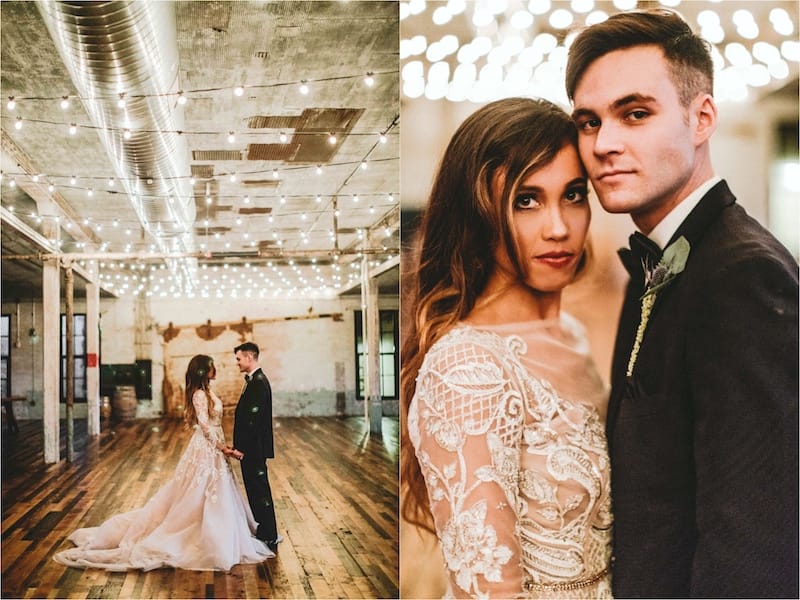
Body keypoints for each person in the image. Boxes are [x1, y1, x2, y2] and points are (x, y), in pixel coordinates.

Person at [565, 8, 799, 598]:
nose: (604, 144)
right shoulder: (664, 262)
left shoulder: (741, 275)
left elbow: (755, 540)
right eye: (588, 122)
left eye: (635, 114)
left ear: (702, 118)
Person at [400, 97, 612, 598]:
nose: (558, 227)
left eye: (574, 195)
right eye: (526, 201)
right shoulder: (465, 367)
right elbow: (490, 590)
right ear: (479, 214)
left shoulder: (574, 334)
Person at [53, 354, 273, 571]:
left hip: (216, 446)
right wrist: (221, 447)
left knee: (218, 490)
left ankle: (223, 530)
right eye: (211, 366)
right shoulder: (198, 394)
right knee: (199, 491)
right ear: (203, 370)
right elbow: (205, 427)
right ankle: (200, 532)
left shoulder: (207, 391)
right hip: (208, 447)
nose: (215, 369)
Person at [231, 342, 281, 552]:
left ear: (250, 357)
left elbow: (252, 421)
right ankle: (264, 531)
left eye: (239, 359)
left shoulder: (258, 383)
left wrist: (240, 448)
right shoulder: (255, 381)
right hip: (253, 448)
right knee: (255, 489)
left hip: (253, 449)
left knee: (259, 490)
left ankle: (269, 535)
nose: (237, 363)